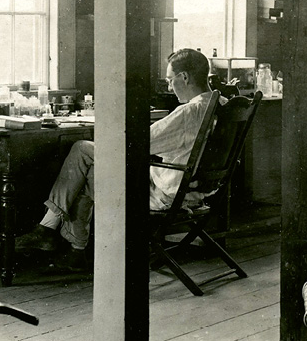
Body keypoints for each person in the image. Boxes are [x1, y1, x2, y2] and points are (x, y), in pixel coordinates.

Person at [15, 48, 218, 271]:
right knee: (92, 172)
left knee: (82, 149)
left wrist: (115, 130)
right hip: (194, 192)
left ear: (185, 77)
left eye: (171, 80)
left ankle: (51, 231)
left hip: (163, 195)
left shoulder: (189, 113)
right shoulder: (222, 105)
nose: (170, 87)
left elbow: (138, 145)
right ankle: (70, 248)